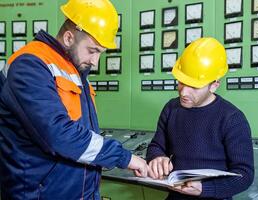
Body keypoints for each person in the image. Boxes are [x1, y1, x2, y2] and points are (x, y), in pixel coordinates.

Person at [0, 0, 148, 199]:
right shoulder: (30, 65)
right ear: (69, 37)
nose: (95, 62)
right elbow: (58, 134)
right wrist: (124, 157)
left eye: (100, 53)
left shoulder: (75, 71)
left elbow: (84, 136)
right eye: (93, 50)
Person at [146, 37, 254, 200]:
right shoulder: (171, 108)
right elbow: (157, 145)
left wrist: (205, 189)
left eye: (194, 86)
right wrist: (157, 157)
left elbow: (244, 175)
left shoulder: (232, 119)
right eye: (181, 82)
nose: (183, 92)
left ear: (214, 85)